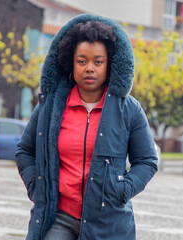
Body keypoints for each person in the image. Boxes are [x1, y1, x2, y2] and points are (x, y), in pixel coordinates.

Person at [16, 13, 158, 240]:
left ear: (109, 64)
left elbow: (147, 161)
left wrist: (122, 190)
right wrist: (36, 185)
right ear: (70, 63)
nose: (89, 68)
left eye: (98, 62)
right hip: (58, 217)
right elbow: (25, 151)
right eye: (82, 61)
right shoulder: (50, 107)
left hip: (108, 222)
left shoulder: (129, 109)